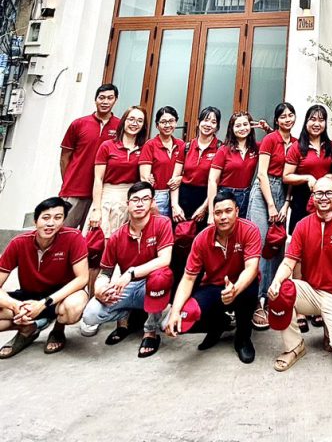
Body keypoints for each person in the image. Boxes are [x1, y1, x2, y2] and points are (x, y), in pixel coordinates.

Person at [268, 174, 332, 371]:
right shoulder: (302, 225)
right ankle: (295, 347)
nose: (323, 197)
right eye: (319, 193)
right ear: (312, 197)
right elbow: (289, 261)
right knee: (280, 291)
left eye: (329, 193)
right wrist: (277, 281)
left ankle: (330, 329)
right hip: (310, 292)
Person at [165, 188, 261, 364]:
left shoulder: (249, 230)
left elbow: (251, 268)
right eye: (218, 213)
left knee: (250, 288)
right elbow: (188, 278)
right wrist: (175, 311)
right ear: (213, 215)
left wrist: (235, 289)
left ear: (237, 211)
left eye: (228, 211)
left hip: (241, 285)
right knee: (180, 322)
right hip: (213, 286)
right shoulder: (202, 238)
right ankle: (220, 324)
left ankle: (243, 338)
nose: (223, 217)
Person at [81, 181, 174, 357]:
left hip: (149, 284)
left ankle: (150, 331)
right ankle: (128, 317)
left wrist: (131, 273)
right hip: (127, 288)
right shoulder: (117, 236)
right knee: (90, 315)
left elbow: (164, 260)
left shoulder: (162, 223)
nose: (139, 204)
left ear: (152, 202)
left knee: (160, 277)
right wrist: (100, 290)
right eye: (135, 200)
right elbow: (105, 273)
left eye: (145, 199)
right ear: (128, 204)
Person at [0, 197, 89, 358]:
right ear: (35, 221)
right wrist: (15, 306)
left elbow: (82, 278)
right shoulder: (18, 243)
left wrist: (43, 304)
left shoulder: (73, 237)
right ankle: (28, 329)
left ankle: (58, 329)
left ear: (63, 221)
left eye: (58, 218)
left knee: (74, 307)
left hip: (59, 297)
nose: (51, 223)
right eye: (45, 218)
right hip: (28, 297)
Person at [246, 101, 296, 331]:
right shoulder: (270, 139)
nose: (287, 119)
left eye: (290, 115)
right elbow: (262, 175)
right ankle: (256, 301)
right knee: (258, 247)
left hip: (283, 193)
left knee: (276, 246)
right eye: (283, 116)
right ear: (277, 120)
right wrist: (271, 205)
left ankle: (271, 296)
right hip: (263, 192)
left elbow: (292, 176)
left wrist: (285, 204)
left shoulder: (296, 142)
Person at [59, 83, 120, 229]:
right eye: (101, 98)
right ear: (95, 100)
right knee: (64, 232)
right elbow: (64, 157)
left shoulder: (120, 127)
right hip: (75, 190)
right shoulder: (78, 124)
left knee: (92, 236)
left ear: (115, 100)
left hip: (102, 194)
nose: (105, 102)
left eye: (110, 98)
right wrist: (68, 181)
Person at [89, 106, 147, 236]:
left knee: (123, 241)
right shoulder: (107, 146)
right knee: (100, 238)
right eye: (131, 119)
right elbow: (98, 179)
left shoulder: (144, 148)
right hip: (107, 197)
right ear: (124, 121)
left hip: (131, 200)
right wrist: (96, 209)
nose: (134, 123)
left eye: (139, 121)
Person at [283, 104, 332, 231]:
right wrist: (307, 178)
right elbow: (286, 176)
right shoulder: (297, 147)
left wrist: (328, 178)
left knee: (325, 234)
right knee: (302, 235)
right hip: (302, 199)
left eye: (321, 120)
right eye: (313, 119)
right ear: (306, 121)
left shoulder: (331, 146)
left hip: (326, 199)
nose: (317, 124)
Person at [171, 106, 221, 223]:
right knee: (180, 232)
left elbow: (217, 183)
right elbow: (174, 180)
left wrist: (205, 208)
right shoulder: (186, 147)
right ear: (198, 122)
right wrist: (175, 206)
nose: (208, 125)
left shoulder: (220, 149)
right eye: (205, 120)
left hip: (206, 197)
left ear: (217, 127)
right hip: (183, 198)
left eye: (213, 122)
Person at [208, 111, 258, 219]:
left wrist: (267, 129)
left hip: (247, 195)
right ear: (232, 128)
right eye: (238, 126)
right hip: (226, 195)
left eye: (245, 124)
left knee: (242, 227)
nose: (242, 128)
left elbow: (274, 142)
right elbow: (212, 180)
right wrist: (211, 213)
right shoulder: (223, 150)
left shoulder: (255, 148)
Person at [138, 107, 184, 219]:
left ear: (176, 122)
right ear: (157, 125)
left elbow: (188, 170)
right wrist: (151, 200)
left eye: (171, 121)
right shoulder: (150, 145)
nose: (167, 125)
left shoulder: (181, 145)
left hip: (178, 194)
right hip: (158, 195)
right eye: (163, 122)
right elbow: (144, 178)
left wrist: (181, 178)